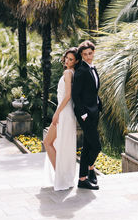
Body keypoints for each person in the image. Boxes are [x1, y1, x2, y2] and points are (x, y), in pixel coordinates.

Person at [43, 47, 80, 191]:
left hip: (64, 112)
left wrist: (56, 113)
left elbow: (68, 95)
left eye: (71, 59)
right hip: (67, 112)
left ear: (76, 61)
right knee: (60, 145)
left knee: (48, 142)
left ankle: (61, 177)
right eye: (66, 58)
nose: (67, 61)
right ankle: (63, 176)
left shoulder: (67, 72)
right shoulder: (73, 72)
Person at [72, 40, 102, 190]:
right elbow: (75, 95)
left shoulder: (92, 68)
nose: (88, 57)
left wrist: (98, 104)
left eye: (90, 53)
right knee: (96, 146)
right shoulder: (81, 71)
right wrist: (83, 114)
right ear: (82, 55)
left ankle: (83, 179)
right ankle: (90, 169)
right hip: (85, 114)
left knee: (88, 146)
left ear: (93, 52)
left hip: (94, 110)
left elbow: (93, 90)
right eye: (85, 54)